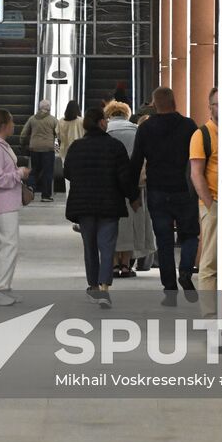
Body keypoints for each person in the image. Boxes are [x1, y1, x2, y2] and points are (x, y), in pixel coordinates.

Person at [126, 87, 199, 304]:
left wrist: (132, 195)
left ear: (155, 104)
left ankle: (170, 292)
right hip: (183, 190)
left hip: (157, 191)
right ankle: (185, 270)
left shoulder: (147, 128)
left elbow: (136, 161)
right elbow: (197, 158)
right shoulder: (189, 126)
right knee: (190, 235)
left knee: (164, 241)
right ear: (175, 102)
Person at [63, 107, 134, 310]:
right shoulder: (115, 147)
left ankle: (92, 285)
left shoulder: (76, 147)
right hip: (109, 204)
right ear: (102, 123)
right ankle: (104, 289)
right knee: (107, 246)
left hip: (84, 205)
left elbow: (68, 173)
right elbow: (124, 177)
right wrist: (133, 196)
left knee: (90, 246)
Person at [0, 108, 32, 306]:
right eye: (11, 122)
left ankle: (2, 286)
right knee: (8, 246)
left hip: (4, 203)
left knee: (4, 246)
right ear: (3, 126)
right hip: (2, 204)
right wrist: (18, 174)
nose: (14, 125)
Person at [104, 100, 153, 278]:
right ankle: (126, 265)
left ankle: (114, 263)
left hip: (110, 185)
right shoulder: (136, 130)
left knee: (113, 223)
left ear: (109, 114)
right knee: (132, 223)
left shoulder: (106, 131)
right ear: (126, 114)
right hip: (134, 185)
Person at [190, 88, 220, 314]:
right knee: (209, 262)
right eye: (217, 104)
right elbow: (196, 173)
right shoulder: (203, 135)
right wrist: (210, 205)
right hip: (214, 205)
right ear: (210, 107)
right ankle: (209, 314)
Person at [19, 99, 60, 202]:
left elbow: (23, 134)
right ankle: (46, 195)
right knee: (48, 172)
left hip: (34, 148)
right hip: (48, 149)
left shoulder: (32, 119)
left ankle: (31, 187)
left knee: (35, 170)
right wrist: (59, 144)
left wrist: (22, 144)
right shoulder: (53, 120)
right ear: (49, 108)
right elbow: (59, 134)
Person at [56, 100, 84, 196]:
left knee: (67, 176)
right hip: (80, 152)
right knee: (80, 175)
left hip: (65, 152)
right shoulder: (81, 121)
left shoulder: (61, 121)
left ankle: (69, 195)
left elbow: (58, 137)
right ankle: (79, 194)